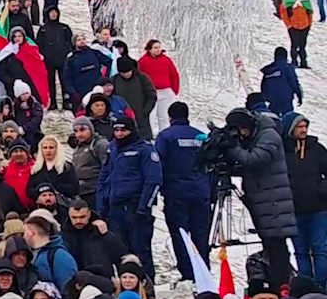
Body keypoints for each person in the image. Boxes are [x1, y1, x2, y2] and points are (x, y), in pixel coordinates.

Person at [221, 106, 298, 288]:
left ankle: (283, 285)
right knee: (271, 243)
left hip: (273, 201)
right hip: (264, 198)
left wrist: (232, 147)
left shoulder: (268, 136)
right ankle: (278, 282)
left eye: (241, 129)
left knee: (276, 244)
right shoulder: (256, 135)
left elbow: (253, 160)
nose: (240, 134)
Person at [96, 116, 160, 280]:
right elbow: (103, 178)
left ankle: (147, 287)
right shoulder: (112, 148)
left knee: (140, 251)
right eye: (116, 130)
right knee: (119, 252)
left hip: (135, 208)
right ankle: (125, 288)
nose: (119, 134)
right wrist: (101, 206)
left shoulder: (144, 149)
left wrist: (143, 207)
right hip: (114, 209)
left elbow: (153, 180)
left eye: (123, 130)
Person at [157, 103, 214, 284]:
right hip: (200, 193)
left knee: (181, 235)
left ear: (170, 117)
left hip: (176, 194)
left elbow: (159, 165)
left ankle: (188, 274)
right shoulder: (201, 135)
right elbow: (212, 166)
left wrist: (162, 189)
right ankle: (203, 272)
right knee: (200, 235)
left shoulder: (166, 137)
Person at [284, 113, 327, 281]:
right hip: (293, 209)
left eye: (304, 126)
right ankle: (305, 286)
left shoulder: (316, 148)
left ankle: (322, 286)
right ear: (290, 129)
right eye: (299, 127)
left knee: (320, 249)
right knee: (300, 250)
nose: (303, 130)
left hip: (319, 208)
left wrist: (321, 190)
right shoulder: (282, 150)